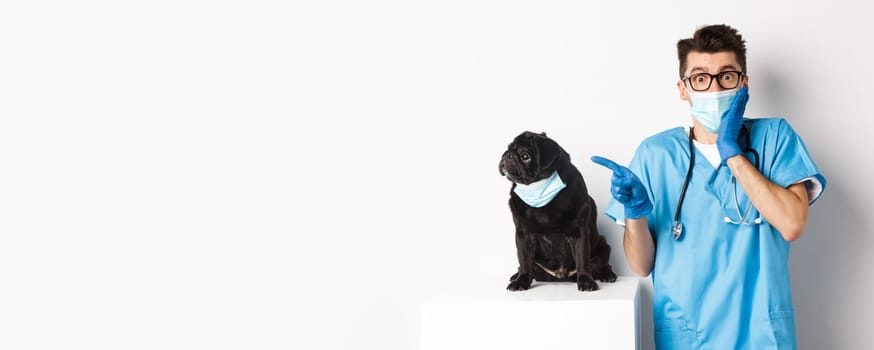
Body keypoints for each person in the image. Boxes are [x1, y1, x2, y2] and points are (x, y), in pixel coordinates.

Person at [591, 24, 826, 349]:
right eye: (700, 78)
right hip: (688, 337)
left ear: (744, 83)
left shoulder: (774, 138)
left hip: (762, 337)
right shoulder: (655, 154)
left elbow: (792, 224)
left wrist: (733, 154)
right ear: (683, 89)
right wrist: (636, 215)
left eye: (726, 76)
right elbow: (641, 265)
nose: (714, 89)